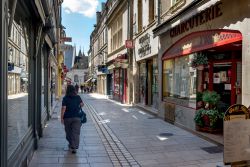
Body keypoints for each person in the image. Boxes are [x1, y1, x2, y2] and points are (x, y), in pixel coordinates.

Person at [61, 85, 84, 154]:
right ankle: (74, 146)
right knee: (76, 133)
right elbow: (82, 104)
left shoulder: (65, 98)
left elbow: (63, 108)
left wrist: (62, 117)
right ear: (74, 90)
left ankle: (71, 144)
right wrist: (77, 106)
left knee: (68, 132)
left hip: (67, 118)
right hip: (77, 117)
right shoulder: (78, 97)